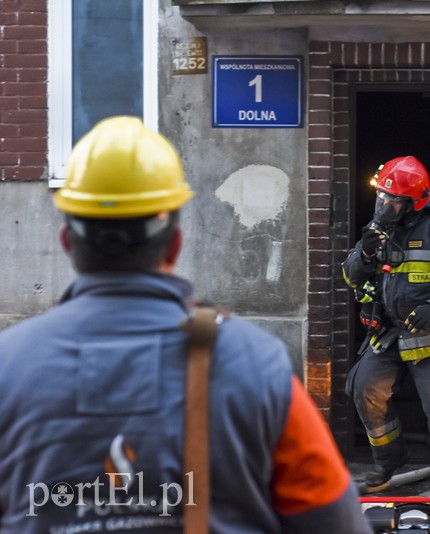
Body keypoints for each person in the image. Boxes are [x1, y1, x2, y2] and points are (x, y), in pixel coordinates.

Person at [0, 116, 371, 534]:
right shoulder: (256, 366)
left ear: (68, 242)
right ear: (175, 243)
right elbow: (336, 523)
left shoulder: (9, 366)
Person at [342, 155, 430, 497]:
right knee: (365, 389)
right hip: (389, 334)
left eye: (393, 200)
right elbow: (349, 276)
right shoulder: (379, 230)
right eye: (381, 196)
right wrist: (365, 254)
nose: (384, 204)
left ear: (414, 201)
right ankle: (390, 459)